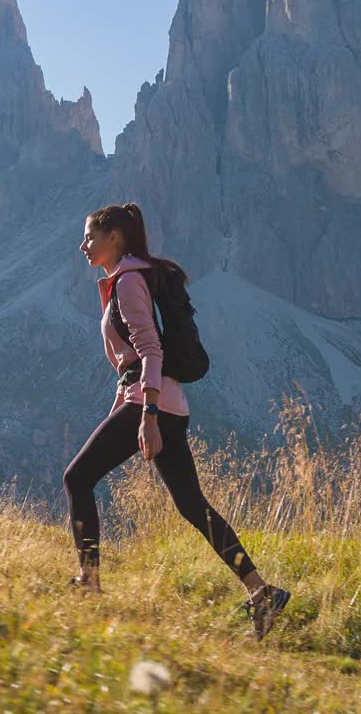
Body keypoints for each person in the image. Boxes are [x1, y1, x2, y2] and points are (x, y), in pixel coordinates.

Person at [63, 202, 291, 641]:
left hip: (151, 405)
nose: (83, 245)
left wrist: (144, 414)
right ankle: (261, 592)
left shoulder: (129, 281)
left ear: (115, 238)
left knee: (76, 478)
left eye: (91, 236)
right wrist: (131, 409)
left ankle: (88, 581)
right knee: (192, 506)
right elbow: (134, 361)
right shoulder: (132, 277)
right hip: (167, 405)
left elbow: (149, 350)